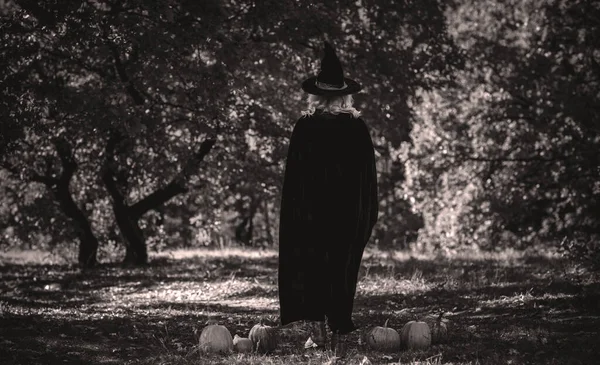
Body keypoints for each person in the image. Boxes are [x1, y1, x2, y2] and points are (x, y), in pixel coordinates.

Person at [278, 40, 379, 357]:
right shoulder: (356, 127)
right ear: (344, 94)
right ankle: (336, 332)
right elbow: (368, 180)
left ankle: (319, 328)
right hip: (347, 215)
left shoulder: (305, 126)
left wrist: (295, 214)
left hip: (310, 213)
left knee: (312, 268)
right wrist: (366, 216)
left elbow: (294, 179)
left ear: (316, 95)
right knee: (341, 269)